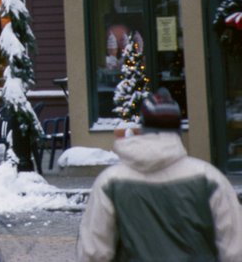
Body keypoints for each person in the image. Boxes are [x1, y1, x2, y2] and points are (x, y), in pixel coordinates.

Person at [77, 89, 242, 262]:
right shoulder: (209, 179)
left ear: (144, 126)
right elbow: (235, 249)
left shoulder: (110, 182)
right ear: (178, 128)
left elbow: (93, 252)